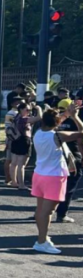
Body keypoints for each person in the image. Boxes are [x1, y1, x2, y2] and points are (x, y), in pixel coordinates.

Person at [30, 105, 83, 254]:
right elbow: (82, 132)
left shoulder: (38, 133)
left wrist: (67, 113)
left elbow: (55, 121)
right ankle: (41, 241)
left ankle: (42, 238)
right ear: (57, 123)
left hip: (39, 174)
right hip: (54, 177)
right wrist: (75, 116)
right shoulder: (58, 136)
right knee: (47, 212)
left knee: (40, 210)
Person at [55, 98, 81, 223]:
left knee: (53, 186)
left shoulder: (55, 122)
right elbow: (82, 134)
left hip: (57, 157)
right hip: (73, 156)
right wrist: (75, 116)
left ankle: (43, 211)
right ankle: (62, 213)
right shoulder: (75, 121)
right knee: (69, 187)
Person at [8, 103, 36, 188]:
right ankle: (22, 184)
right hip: (24, 141)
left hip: (15, 140)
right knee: (21, 164)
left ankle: (14, 182)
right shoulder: (24, 120)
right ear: (21, 110)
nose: (28, 111)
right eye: (27, 110)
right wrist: (38, 109)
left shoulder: (16, 118)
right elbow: (39, 118)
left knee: (14, 163)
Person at [4, 95, 23, 185]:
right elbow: (9, 127)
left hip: (16, 138)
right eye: (18, 102)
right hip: (12, 138)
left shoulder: (17, 113)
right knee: (10, 159)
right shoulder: (12, 113)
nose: (20, 104)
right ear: (12, 104)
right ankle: (8, 178)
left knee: (13, 160)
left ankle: (12, 178)